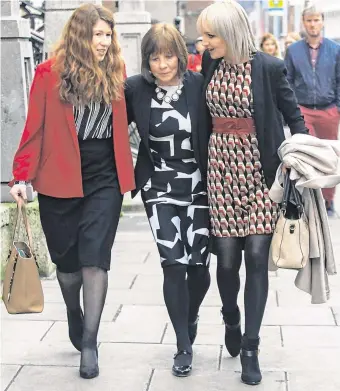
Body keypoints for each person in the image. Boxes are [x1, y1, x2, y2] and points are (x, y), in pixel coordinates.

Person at [9, 4, 135, 379]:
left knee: (95, 258)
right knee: (68, 266)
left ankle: (91, 343)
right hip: (59, 176)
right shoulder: (49, 74)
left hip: (104, 177)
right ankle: (72, 311)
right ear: (81, 35)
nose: (104, 41)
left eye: (108, 35)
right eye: (98, 34)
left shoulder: (116, 71)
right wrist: (21, 176)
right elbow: (34, 127)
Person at [197, 0, 309, 385]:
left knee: (257, 255)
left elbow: (296, 120)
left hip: (262, 174)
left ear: (229, 33)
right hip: (220, 171)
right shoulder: (210, 64)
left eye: (210, 35)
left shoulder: (269, 68)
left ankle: (250, 347)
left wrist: (295, 156)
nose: (204, 41)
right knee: (227, 261)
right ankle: (231, 315)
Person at [125, 23, 211, 377]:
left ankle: (189, 315)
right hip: (157, 185)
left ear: (180, 54)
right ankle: (182, 344)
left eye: (168, 56)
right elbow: (113, 126)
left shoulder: (198, 86)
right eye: (154, 57)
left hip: (200, 185)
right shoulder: (135, 88)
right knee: (172, 264)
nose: (162, 64)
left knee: (198, 266)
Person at [285, 4, 340, 216]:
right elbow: (287, 80)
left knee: (328, 156)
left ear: (323, 21)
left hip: (328, 110)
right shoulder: (293, 50)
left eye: (316, 20)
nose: (313, 24)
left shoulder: (335, 50)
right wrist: (292, 109)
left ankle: (328, 200)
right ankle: (308, 199)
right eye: (309, 20)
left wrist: (337, 108)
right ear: (303, 23)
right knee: (305, 155)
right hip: (304, 109)